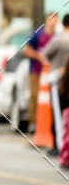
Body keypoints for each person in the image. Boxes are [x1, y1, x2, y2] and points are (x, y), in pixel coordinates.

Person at [23, 12, 58, 128]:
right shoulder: (37, 34)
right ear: (46, 20)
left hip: (51, 72)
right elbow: (26, 50)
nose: (53, 22)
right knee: (35, 96)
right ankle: (33, 122)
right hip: (36, 70)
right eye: (51, 19)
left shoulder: (56, 37)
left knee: (49, 98)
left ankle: (47, 124)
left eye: (55, 19)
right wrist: (39, 56)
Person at [43, 13, 69, 153]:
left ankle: (59, 146)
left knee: (59, 115)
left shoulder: (59, 40)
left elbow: (44, 54)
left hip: (58, 82)